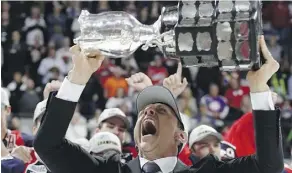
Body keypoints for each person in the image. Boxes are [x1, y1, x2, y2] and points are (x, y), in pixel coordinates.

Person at [34, 37, 284, 173]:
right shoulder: (110, 169)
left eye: (161, 110)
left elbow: (268, 167)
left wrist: (259, 85)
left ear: (181, 136)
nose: (148, 111)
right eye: (143, 111)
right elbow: (48, 146)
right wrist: (78, 77)